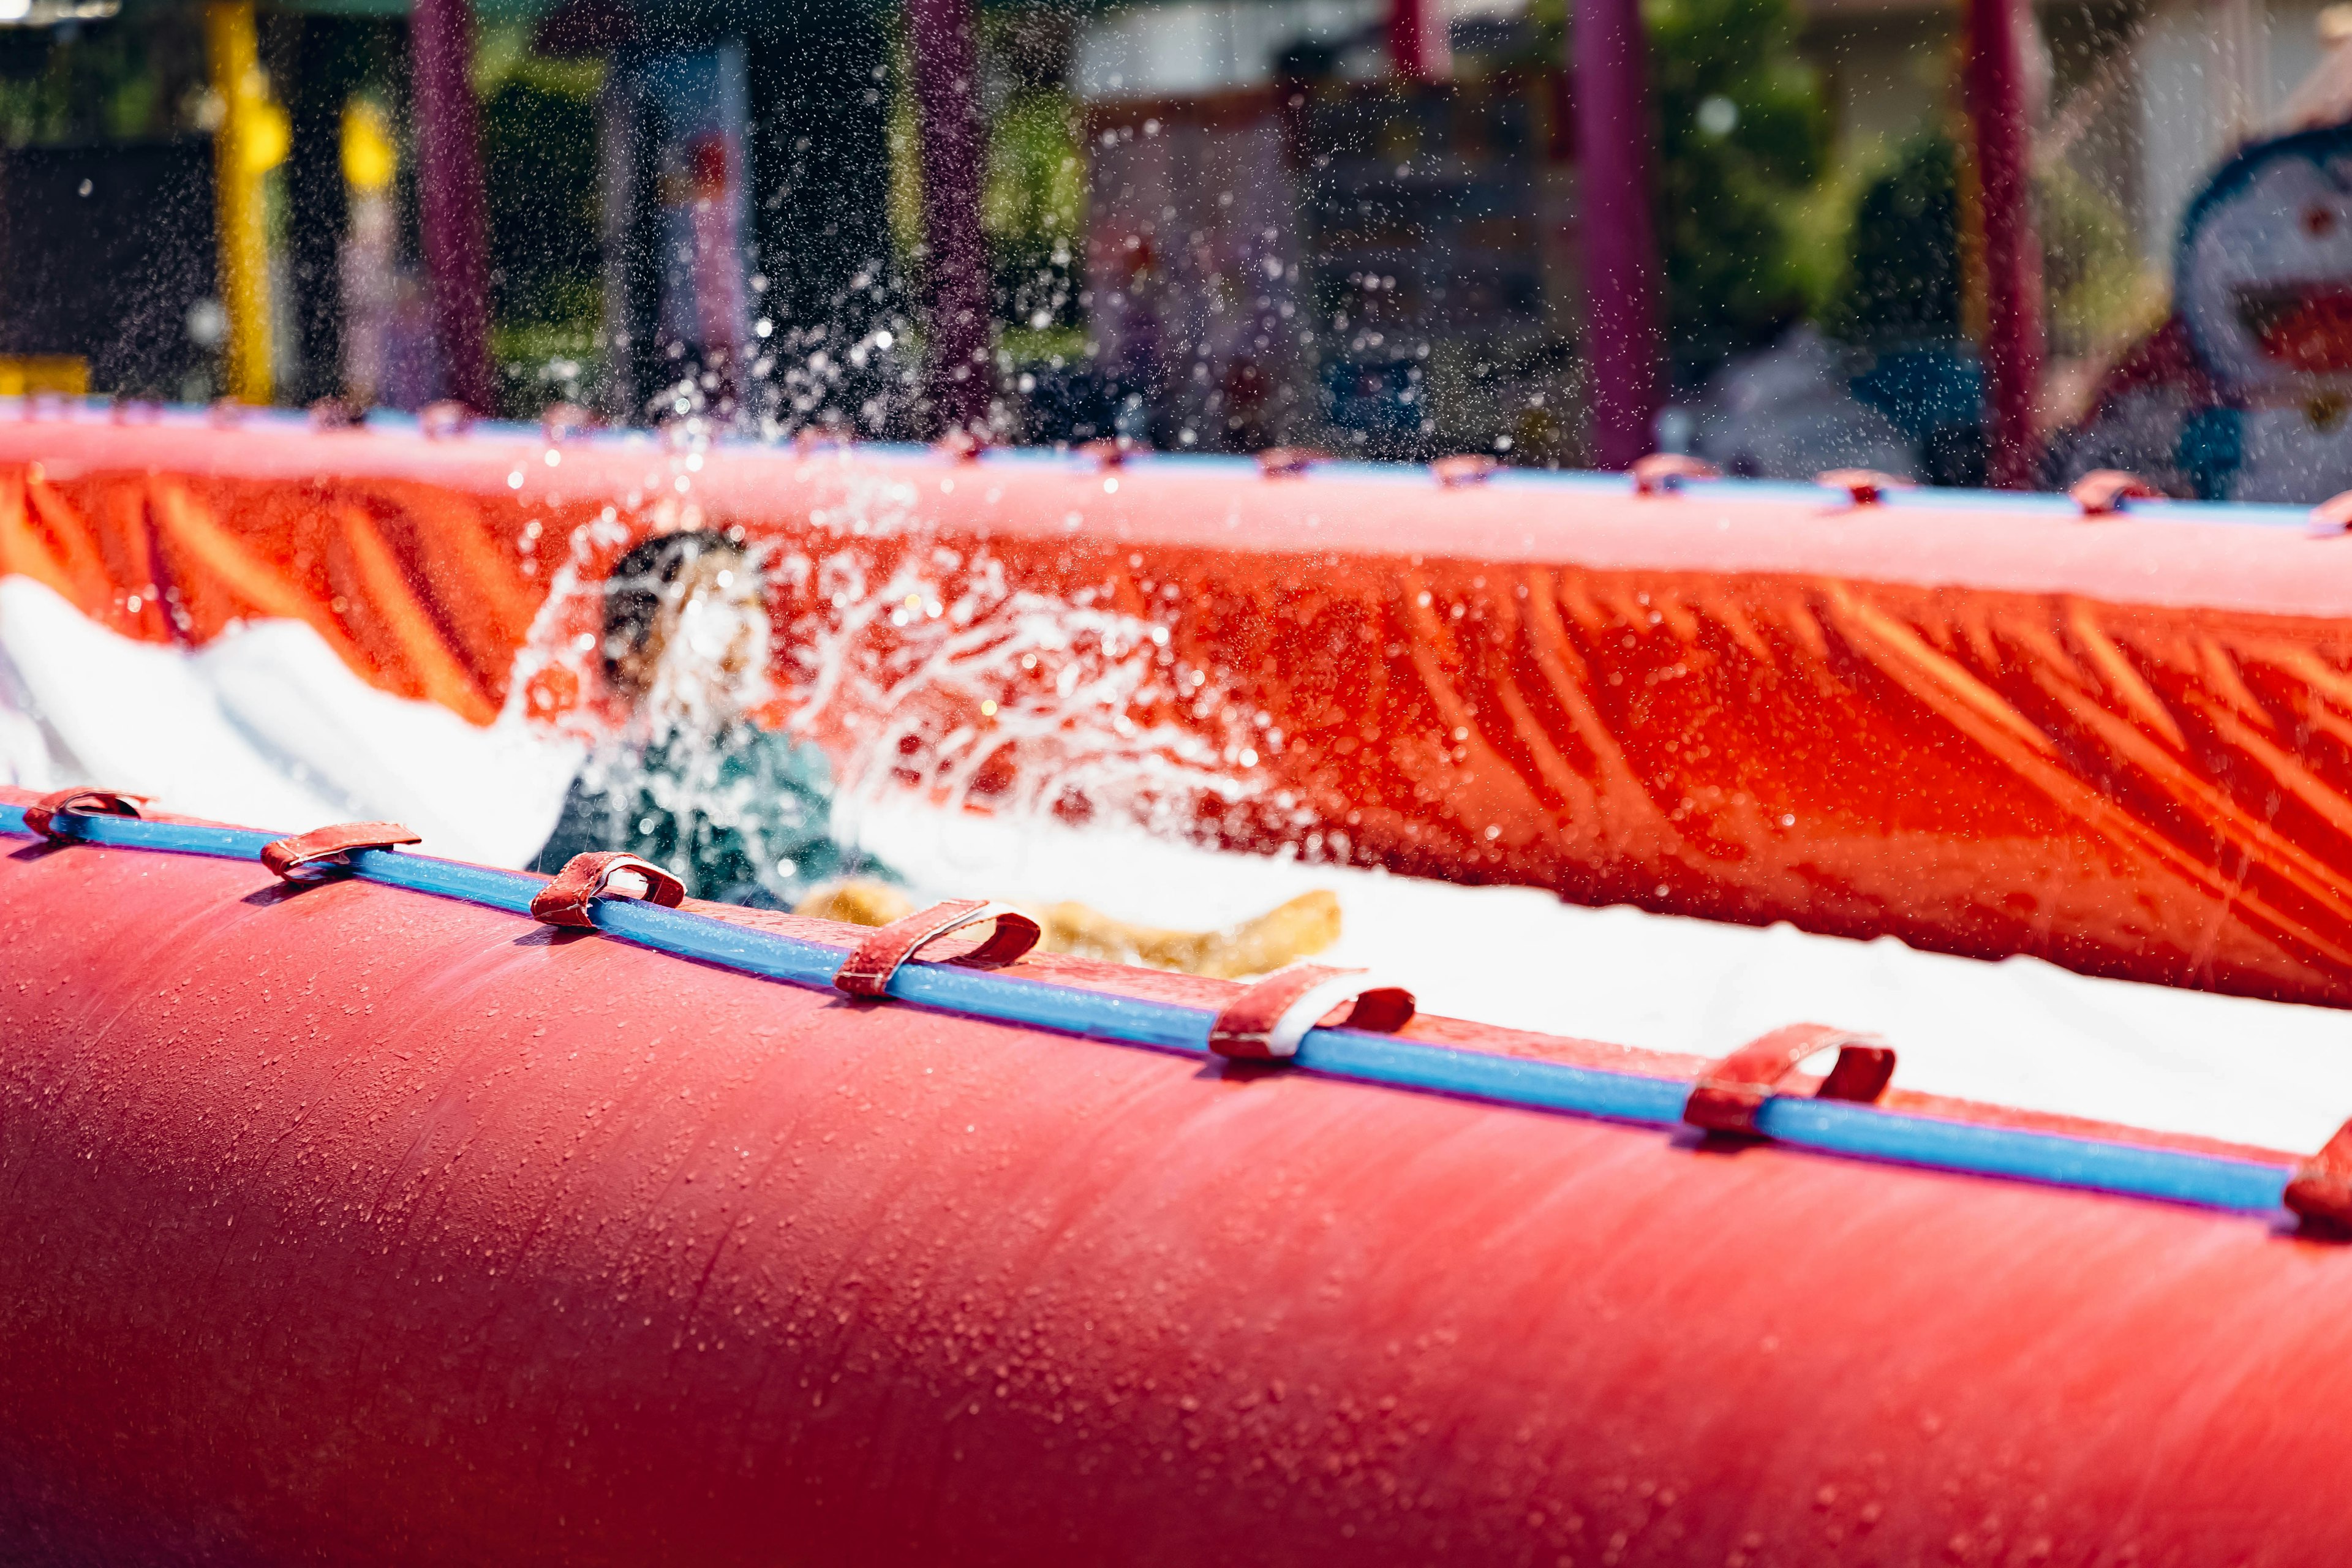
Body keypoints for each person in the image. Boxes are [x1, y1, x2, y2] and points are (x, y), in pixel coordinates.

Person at [534, 529, 1340, 979]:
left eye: (750, 601)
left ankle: (1192, 955)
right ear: (637, 652)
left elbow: (844, 851)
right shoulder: (624, 772)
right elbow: (550, 882)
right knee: (855, 907)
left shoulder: (783, 755)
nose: (744, 624)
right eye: (712, 606)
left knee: (1040, 911)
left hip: (856, 901)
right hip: (764, 940)